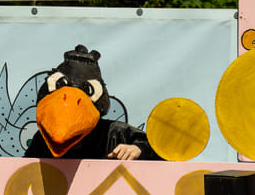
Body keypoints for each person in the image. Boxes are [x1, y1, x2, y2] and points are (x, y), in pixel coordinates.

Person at [24, 45, 159, 160]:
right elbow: (24, 170)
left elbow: (159, 149)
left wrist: (139, 149)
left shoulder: (116, 133)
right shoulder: (43, 140)